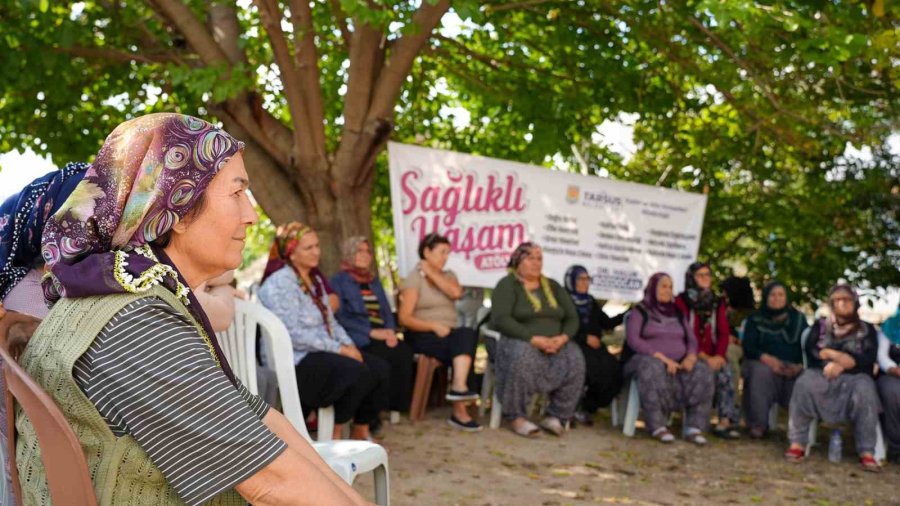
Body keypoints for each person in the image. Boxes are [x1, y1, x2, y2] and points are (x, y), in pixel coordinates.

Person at [16, 113, 365, 504]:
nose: (251, 215)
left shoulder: (128, 296)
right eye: (237, 193)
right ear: (176, 205)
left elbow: (262, 419)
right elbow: (272, 483)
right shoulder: (135, 322)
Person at [259, 222, 389, 441]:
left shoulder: (315, 280)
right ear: (291, 252)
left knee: (379, 368)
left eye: (317, 246)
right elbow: (292, 334)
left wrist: (349, 345)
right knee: (356, 372)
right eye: (308, 248)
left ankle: (360, 428)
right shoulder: (280, 283)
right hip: (295, 358)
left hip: (321, 351)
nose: (316, 252)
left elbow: (331, 321)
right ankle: (335, 433)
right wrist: (339, 349)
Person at [490, 242, 584, 437]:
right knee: (523, 355)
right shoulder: (507, 285)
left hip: (554, 343)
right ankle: (517, 417)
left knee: (575, 356)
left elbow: (572, 317)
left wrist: (562, 338)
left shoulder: (553, 286)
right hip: (519, 340)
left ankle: (556, 416)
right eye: (530, 258)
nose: (536, 263)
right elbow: (501, 319)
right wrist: (532, 339)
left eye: (539, 258)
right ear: (518, 261)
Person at [785, 285, 881, 472]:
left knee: (865, 388)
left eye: (846, 299)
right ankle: (797, 443)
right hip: (823, 374)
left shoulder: (866, 329)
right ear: (831, 304)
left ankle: (867, 451)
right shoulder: (821, 326)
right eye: (836, 299)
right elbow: (812, 352)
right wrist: (836, 359)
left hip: (854, 377)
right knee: (805, 382)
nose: (841, 303)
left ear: (855, 303)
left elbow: (869, 358)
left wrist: (838, 359)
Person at [398, 232, 482, 431]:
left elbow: (455, 293)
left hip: (449, 335)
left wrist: (431, 272)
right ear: (426, 252)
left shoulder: (448, 276)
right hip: (422, 333)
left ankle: (458, 387)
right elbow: (404, 318)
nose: (445, 257)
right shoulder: (413, 279)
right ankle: (460, 410)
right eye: (442, 252)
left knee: (466, 335)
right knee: (463, 346)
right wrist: (433, 326)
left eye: (448, 253)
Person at [623, 272, 714, 445]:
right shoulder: (641, 311)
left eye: (670, 287)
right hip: (646, 360)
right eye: (663, 286)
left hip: (678, 363)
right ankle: (658, 425)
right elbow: (634, 340)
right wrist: (660, 357)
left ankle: (694, 427)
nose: (667, 290)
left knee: (703, 370)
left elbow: (691, 339)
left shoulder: (677, 312)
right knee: (651, 367)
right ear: (653, 288)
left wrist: (691, 356)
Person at [331, 236, 413, 422]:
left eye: (368, 251)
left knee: (402, 351)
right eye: (360, 250)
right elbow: (341, 317)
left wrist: (390, 331)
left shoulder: (373, 281)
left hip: (382, 332)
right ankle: (371, 415)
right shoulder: (338, 281)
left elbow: (385, 310)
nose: (365, 255)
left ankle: (393, 407)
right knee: (379, 359)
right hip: (358, 336)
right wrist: (370, 332)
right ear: (350, 253)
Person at [675, 262, 740, 439]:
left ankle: (725, 421)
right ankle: (696, 422)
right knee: (704, 370)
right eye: (700, 275)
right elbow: (684, 332)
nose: (705, 278)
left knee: (726, 370)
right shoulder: (682, 301)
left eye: (707, 275)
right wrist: (703, 356)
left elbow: (723, 331)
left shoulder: (716, 302)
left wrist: (719, 355)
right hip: (689, 352)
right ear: (691, 278)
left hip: (713, 353)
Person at [741, 281, 808, 438]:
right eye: (772, 295)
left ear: (786, 298)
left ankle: (799, 431)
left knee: (808, 377)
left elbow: (808, 347)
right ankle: (758, 425)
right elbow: (748, 347)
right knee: (759, 372)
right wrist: (767, 359)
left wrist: (799, 365)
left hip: (793, 367)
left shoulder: (798, 319)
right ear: (766, 297)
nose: (776, 298)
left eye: (781, 295)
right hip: (764, 364)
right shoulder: (755, 319)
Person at [563, 265, 624, 426]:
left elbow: (607, 323)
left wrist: (628, 313)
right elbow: (561, 327)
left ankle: (588, 408)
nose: (585, 282)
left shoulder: (590, 302)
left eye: (587, 279)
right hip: (573, 345)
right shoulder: (564, 301)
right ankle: (569, 408)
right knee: (588, 368)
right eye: (580, 279)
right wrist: (584, 338)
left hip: (596, 348)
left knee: (614, 370)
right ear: (571, 281)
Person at [877, 306, 900, 463]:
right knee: (893, 394)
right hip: (891, 374)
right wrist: (895, 370)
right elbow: (881, 356)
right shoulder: (890, 325)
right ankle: (895, 446)